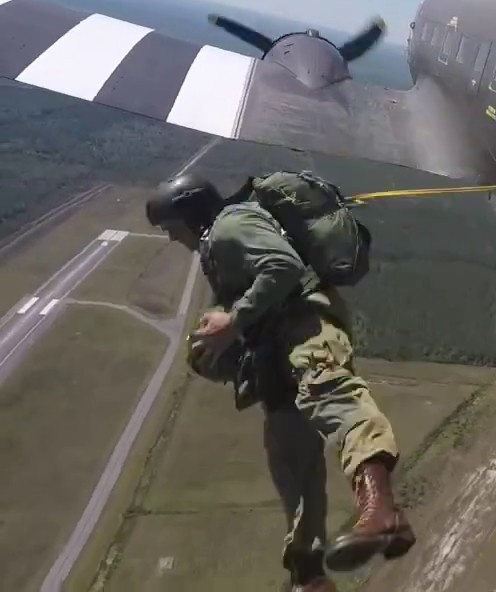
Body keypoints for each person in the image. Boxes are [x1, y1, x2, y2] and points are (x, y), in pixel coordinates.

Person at [145, 173, 416, 592]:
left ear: (190, 215)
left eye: (171, 228)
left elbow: (284, 266)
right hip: (274, 350)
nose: (170, 238)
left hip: (305, 327)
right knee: (291, 458)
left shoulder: (228, 227)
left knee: (328, 393)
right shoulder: (218, 240)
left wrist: (232, 323)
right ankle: (308, 573)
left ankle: (382, 511)